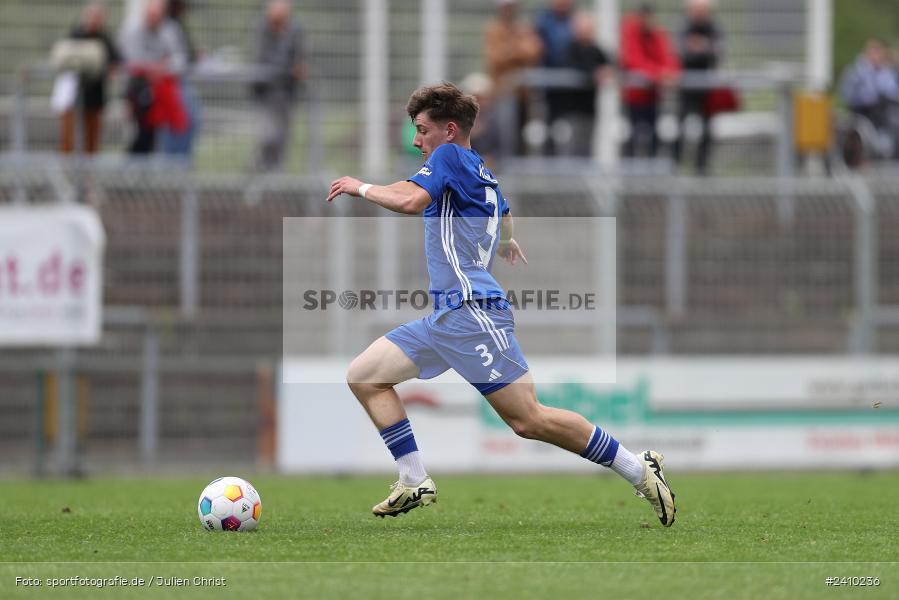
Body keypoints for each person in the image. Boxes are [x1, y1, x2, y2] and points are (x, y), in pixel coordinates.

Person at [326, 82, 676, 526]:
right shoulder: (481, 171)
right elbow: (503, 211)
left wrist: (361, 187)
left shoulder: (448, 157)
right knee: (364, 377)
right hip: (444, 317)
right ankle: (414, 479)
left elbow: (412, 199)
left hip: (472, 313)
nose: (417, 141)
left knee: (528, 419)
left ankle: (637, 466)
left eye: (422, 130)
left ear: (449, 131)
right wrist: (507, 243)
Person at [119, 0, 189, 155]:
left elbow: (181, 60)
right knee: (144, 133)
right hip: (138, 89)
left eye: (157, 17)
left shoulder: (170, 29)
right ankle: (135, 171)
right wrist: (153, 67)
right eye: (150, 16)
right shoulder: (132, 30)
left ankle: (171, 166)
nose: (153, 21)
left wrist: (163, 68)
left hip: (163, 89)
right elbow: (128, 61)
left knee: (178, 125)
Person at [58, 2, 121, 155]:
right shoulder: (76, 34)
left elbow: (117, 59)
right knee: (68, 134)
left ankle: (89, 173)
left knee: (92, 137)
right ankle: (67, 168)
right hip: (74, 93)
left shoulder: (105, 38)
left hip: (95, 94)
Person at [251, 0, 307, 172]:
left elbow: (300, 60)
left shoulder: (295, 30)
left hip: (286, 95)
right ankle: (256, 172)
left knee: (282, 139)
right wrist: (288, 70)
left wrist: (294, 70)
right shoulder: (263, 30)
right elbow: (264, 62)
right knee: (268, 137)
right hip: (266, 94)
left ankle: (276, 178)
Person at [620, 3, 680, 159]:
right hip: (634, 96)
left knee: (653, 135)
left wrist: (669, 72)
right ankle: (630, 173)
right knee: (633, 135)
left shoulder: (657, 34)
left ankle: (651, 172)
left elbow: (669, 58)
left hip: (653, 95)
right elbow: (632, 60)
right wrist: (659, 74)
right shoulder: (630, 31)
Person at [483, 0, 542, 156]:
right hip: (502, 94)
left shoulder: (524, 28)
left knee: (522, 140)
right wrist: (518, 50)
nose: (508, 10)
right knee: (504, 139)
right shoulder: (494, 30)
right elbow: (495, 57)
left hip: (523, 95)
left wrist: (509, 51)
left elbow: (534, 50)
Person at [672, 0, 723, 174]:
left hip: (707, 89)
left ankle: (702, 167)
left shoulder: (714, 28)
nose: (699, 13)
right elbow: (680, 53)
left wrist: (699, 46)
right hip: (686, 89)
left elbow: (718, 52)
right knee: (680, 127)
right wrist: (700, 48)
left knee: (707, 129)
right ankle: (676, 165)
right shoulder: (683, 27)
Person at [556, 10, 613, 156]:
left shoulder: (594, 49)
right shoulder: (570, 48)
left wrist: (606, 71)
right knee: (572, 146)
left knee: (587, 147)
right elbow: (571, 65)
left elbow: (608, 63)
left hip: (589, 108)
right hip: (571, 108)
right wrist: (593, 74)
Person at [158, 0, 201, 160]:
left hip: (179, 79)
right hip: (170, 82)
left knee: (190, 121)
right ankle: (172, 168)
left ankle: (181, 165)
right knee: (176, 124)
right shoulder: (165, 25)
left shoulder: (176, 25)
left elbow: (185, 54)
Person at [840, 39, 899, 148]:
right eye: (874, 51)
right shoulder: (855, 71)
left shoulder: (886, 72)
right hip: (863, 111)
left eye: (879, 52)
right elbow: (847, 95)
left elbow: (893, 92)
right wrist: (867, 98)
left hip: (883, 112)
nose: (877, 55)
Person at [535, 0, 575, 151]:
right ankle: (549, 152)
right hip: (549, 82)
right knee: (550, 121)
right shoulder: (544, 20)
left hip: (569, 84)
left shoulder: (572, 20)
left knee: (567, 123)